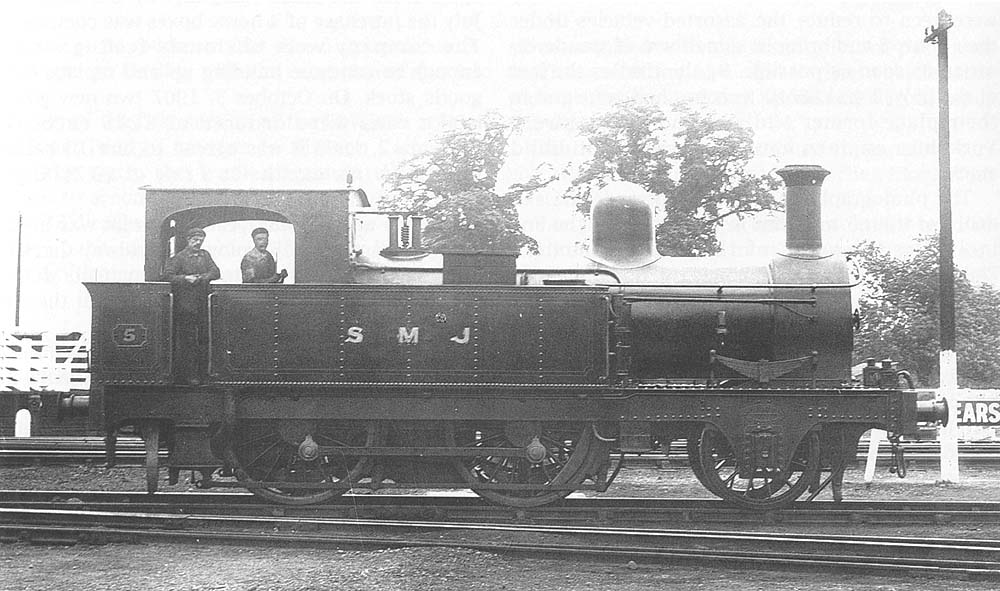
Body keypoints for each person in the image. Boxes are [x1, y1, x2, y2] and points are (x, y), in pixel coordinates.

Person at [162, 227, 220, 385]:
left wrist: (201, 278)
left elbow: (216, 272)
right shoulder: (179, 258)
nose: (198, 242)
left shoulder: (205, 255)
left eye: (201, 239)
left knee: (204, 338)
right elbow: (167, 276)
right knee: (187, 341)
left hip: (203, 304)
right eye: (195, 239)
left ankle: (203, 374)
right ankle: (188, 375)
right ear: (188, 240)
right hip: (185, 304)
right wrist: (185, 278)